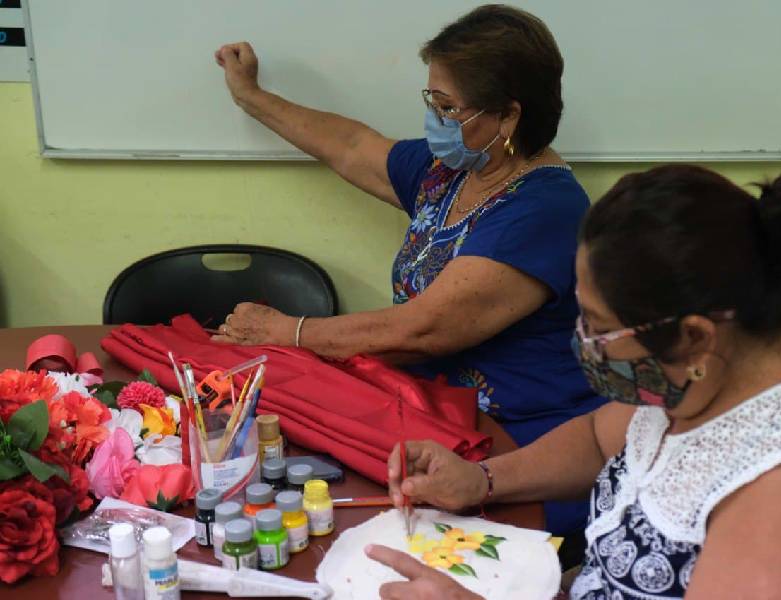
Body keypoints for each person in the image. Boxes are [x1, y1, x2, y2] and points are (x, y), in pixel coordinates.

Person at [213, 5, 604, 535]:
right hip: (431, 421)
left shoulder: (544, 208)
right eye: (431, 101)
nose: (435, 120)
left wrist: (290, 331)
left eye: (448, 107)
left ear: (508, 116)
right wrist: (253, 98)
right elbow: (353, 147)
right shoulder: (453, 170)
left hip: (517, 449)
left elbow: (425, 328)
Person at [366, 165, 781, 599]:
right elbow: (598, 438)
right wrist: (481, 479)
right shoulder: (695, 377)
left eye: (599, 326)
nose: (584, 340)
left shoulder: (778, 496)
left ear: (694, 336)